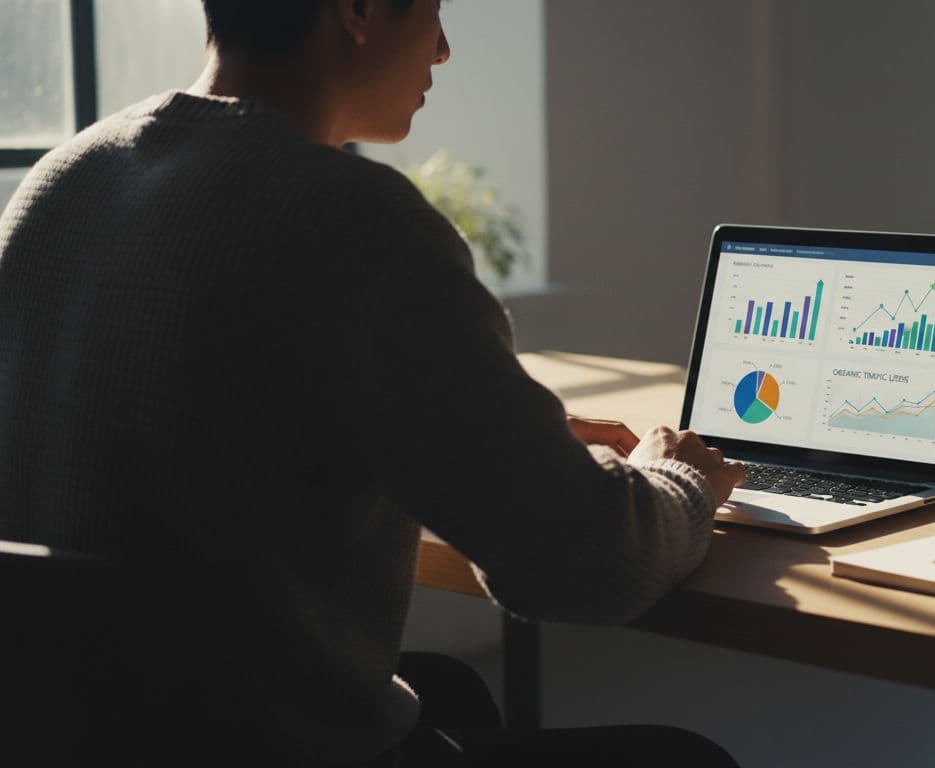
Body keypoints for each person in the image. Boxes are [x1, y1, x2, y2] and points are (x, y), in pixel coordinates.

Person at [0, 0, 745, 765]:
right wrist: (678, 477)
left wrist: (493, 442)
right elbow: (584, 565)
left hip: (80, 725)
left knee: (451, 693)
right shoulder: (354, 222)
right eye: (432, 12)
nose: (446, 49)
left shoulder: (60, 183)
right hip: (255, 740)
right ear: (355, 10)